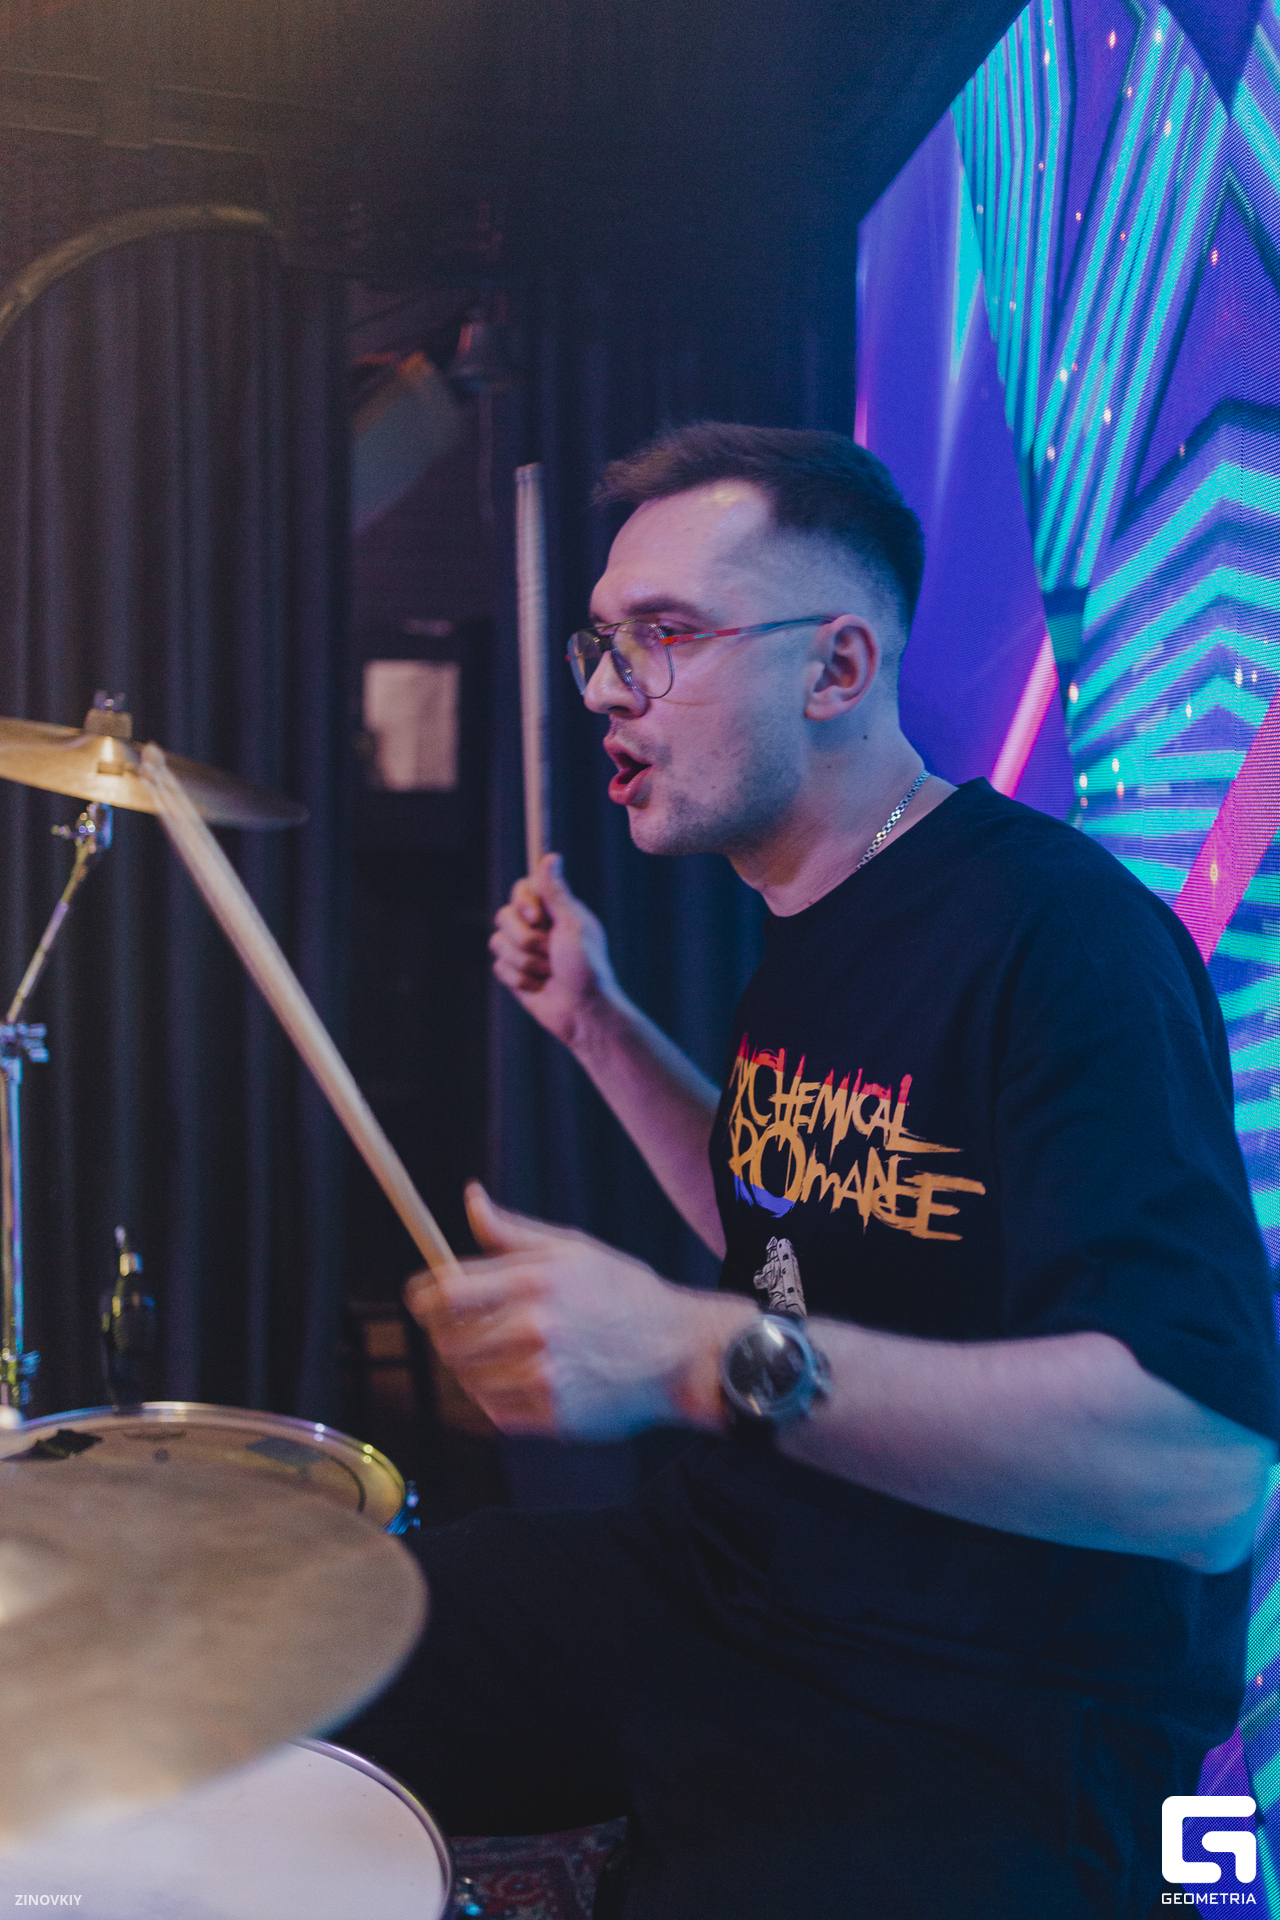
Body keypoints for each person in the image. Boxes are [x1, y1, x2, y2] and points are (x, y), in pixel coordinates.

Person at [339, 424, 1280, 1919]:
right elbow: (798, 1229)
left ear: (836, 669)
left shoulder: (1066, 942)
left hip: (977, 1696)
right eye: (603, 642)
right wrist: (599, 1025)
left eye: (663, 636)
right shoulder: (809, 911)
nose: (606, 688)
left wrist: (694, 1352)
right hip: (737, 1573)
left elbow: (1206, 1472)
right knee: (282, 1661)